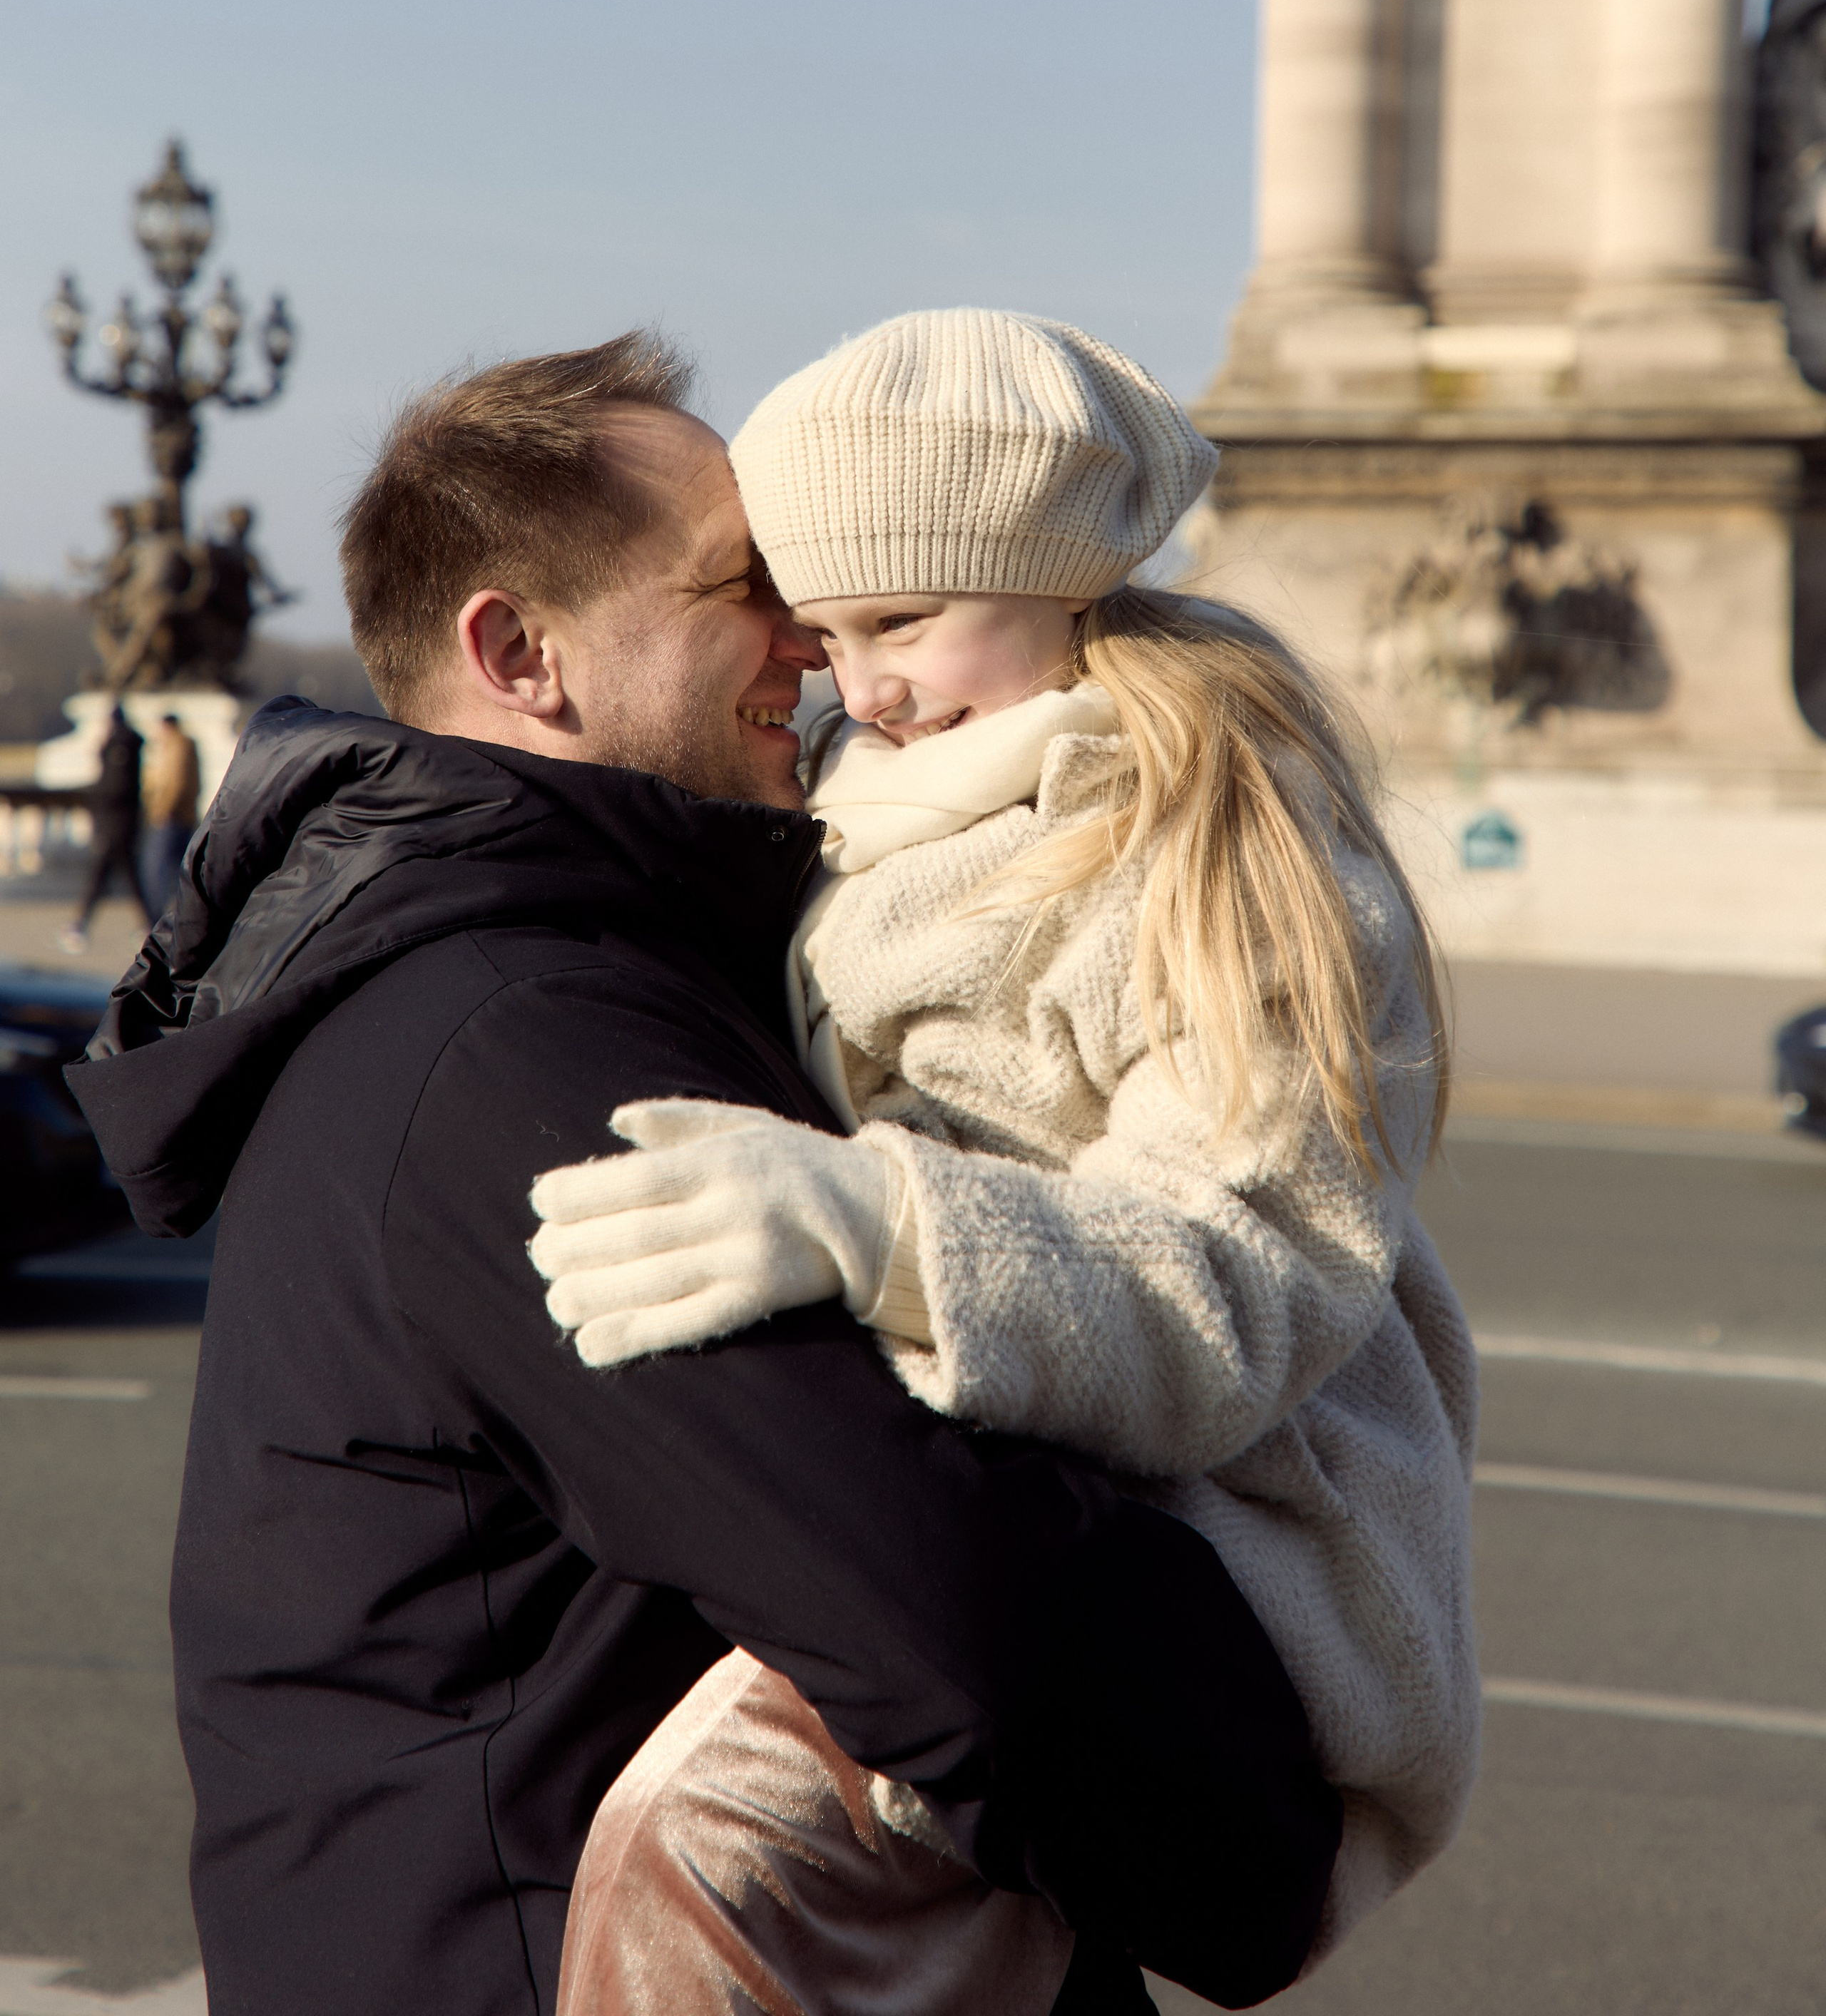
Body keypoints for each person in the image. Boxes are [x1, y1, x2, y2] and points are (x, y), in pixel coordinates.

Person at [66, 336, 1341, 2016]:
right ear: (520, 649)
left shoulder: (531, 974)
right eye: (747, 589)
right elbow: (942, 1605)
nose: (812, 643)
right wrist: (1260, 1822)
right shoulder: (523, 1040)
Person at [531, 309, 1480, 2010]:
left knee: (697, 1849)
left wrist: (877, 1224)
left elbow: (1245, 1272)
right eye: (823, 632)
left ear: (1057, 573)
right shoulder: (882, 780)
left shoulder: (1215, 836)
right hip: (990, 1479)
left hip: (1223, 1521)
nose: (866, 682)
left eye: (900, 617)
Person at [59, 702, 152, 951]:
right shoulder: (127, 746)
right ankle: (149, 926)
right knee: (128, 880)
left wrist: (94, 799)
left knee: (103, 879)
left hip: (115, 825)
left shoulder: (118, 747)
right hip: (122, 823)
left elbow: (113, 788)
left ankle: (79, 927)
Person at [139, 711, 201, 919]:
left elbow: (176, 782)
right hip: (180, 816)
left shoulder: (177, 746)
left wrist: (163, 810)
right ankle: (182, 917)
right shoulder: (180, 745)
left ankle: (156, 919)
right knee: (181, 871)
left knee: (155, 869)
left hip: (170, 818)